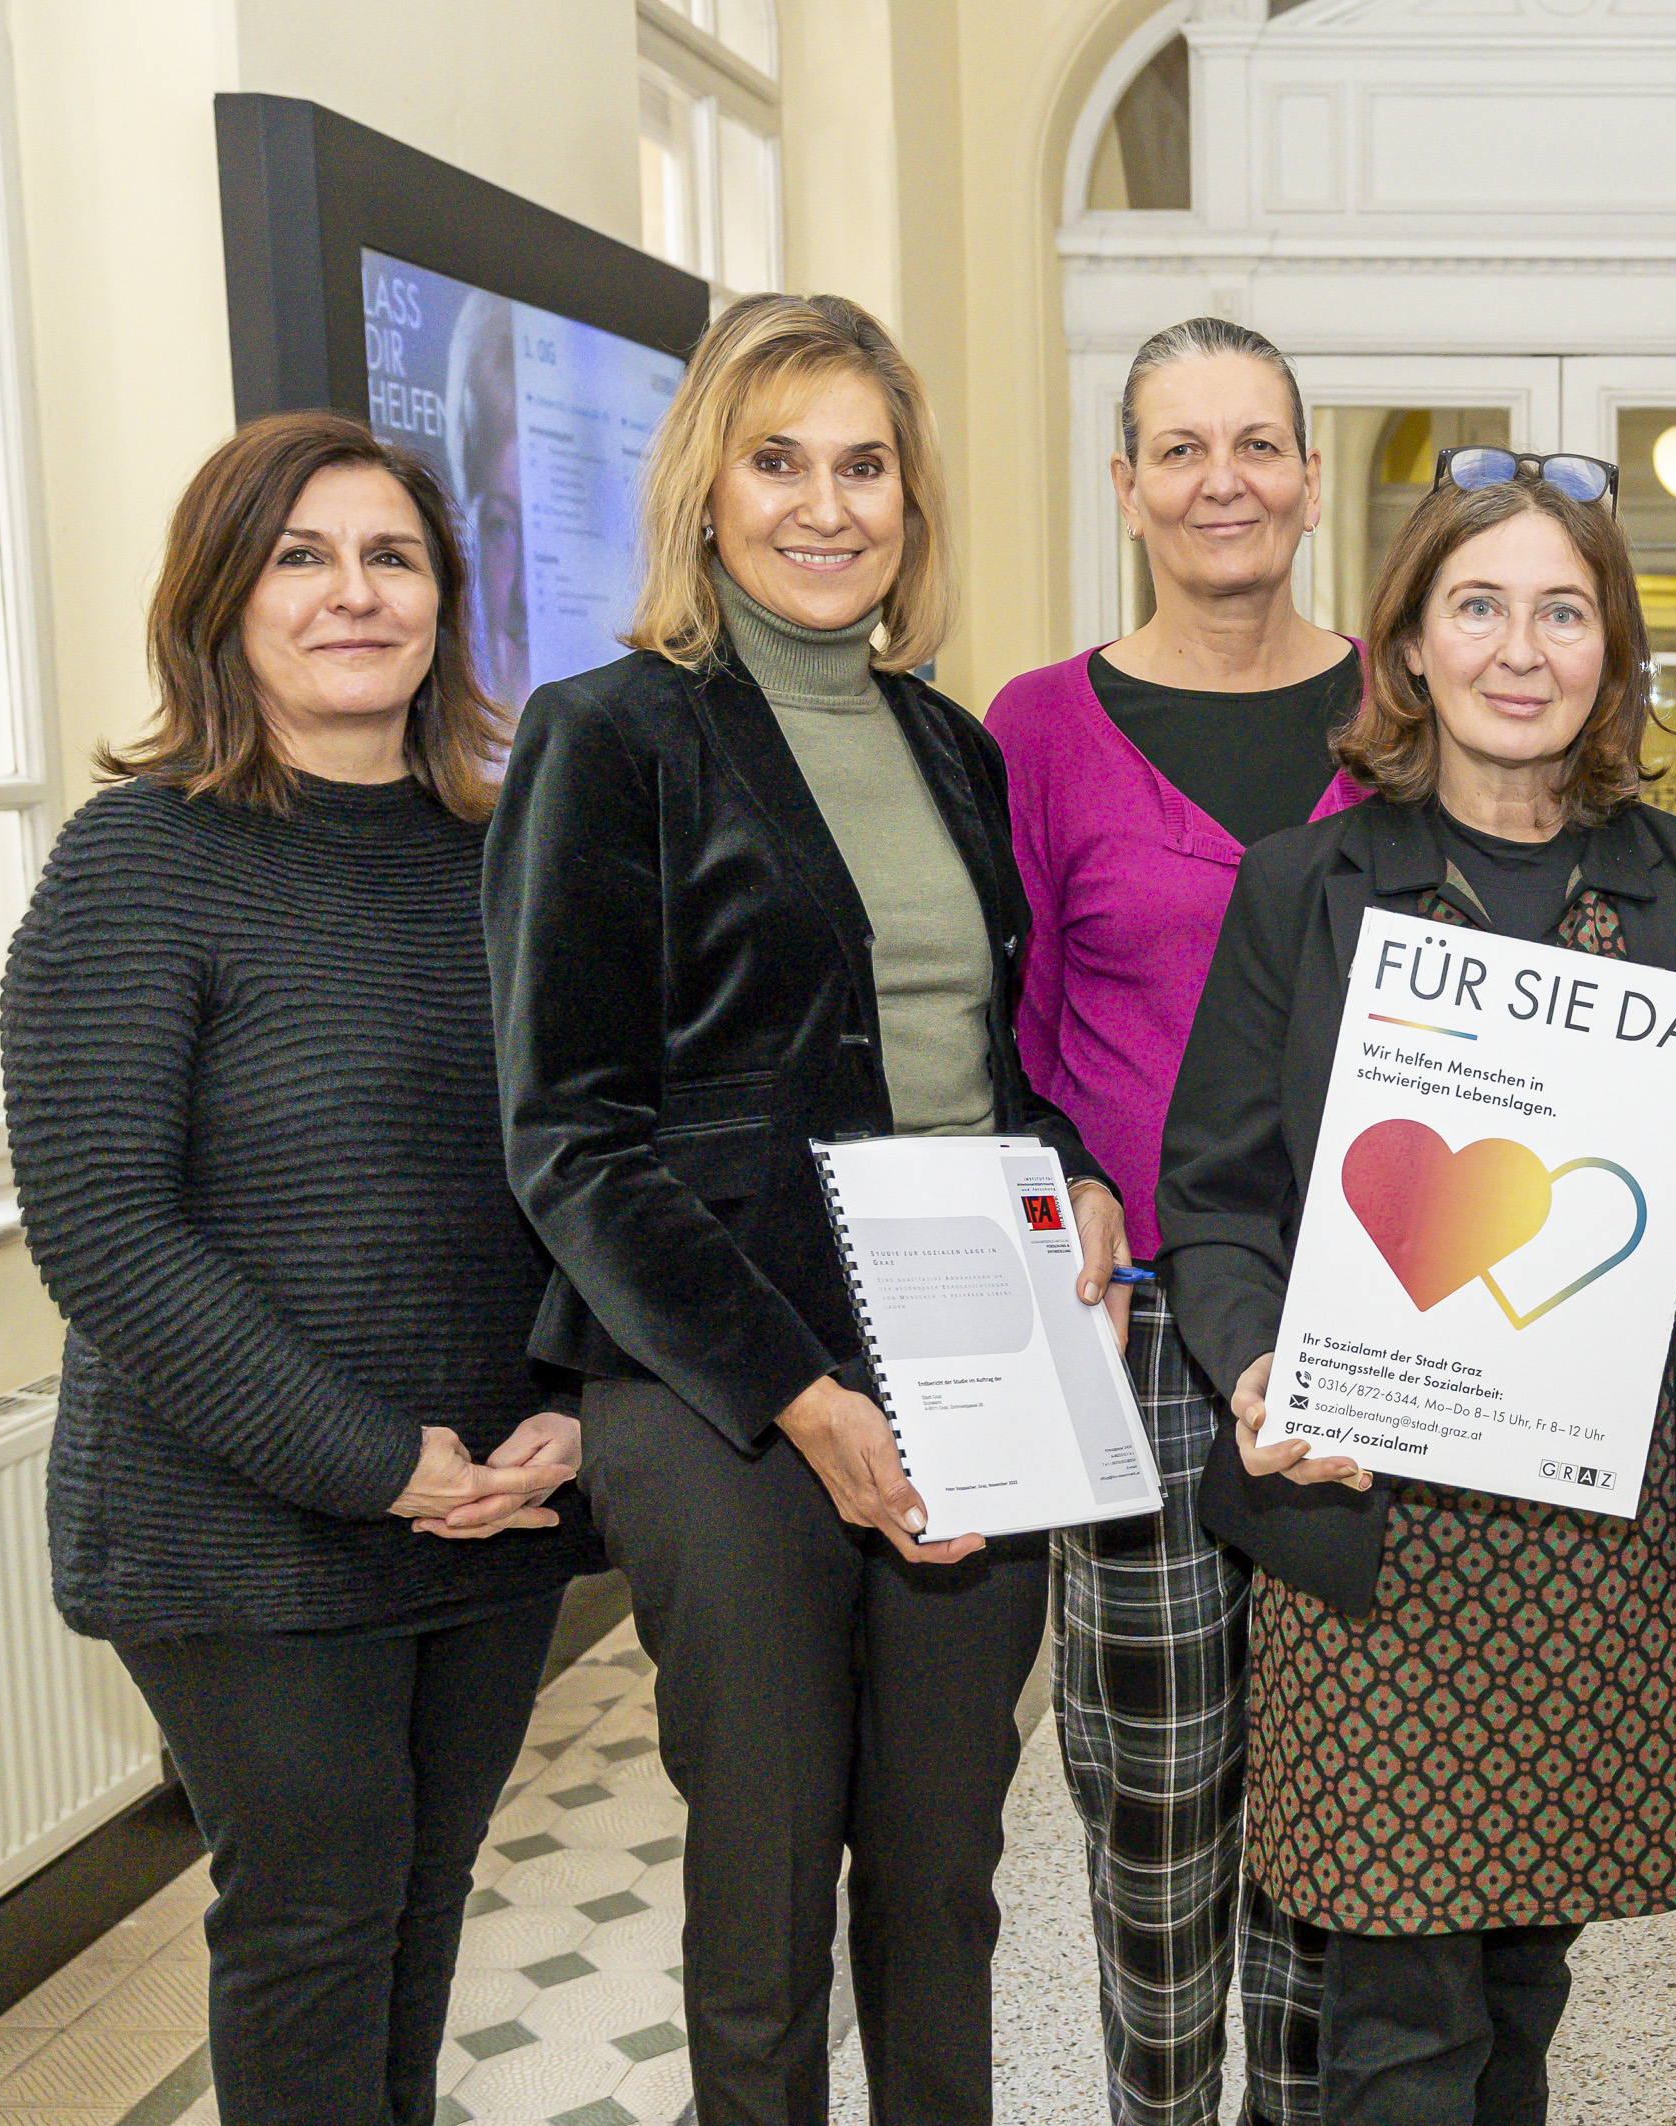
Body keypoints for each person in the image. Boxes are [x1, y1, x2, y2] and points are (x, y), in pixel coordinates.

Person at [485, 293, 1121, 2125]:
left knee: (938, 1879)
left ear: (912, 503)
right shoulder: (608, 737)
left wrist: (1069, 1165)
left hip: (966, 1361)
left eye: (865, 466)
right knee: (764, 1896)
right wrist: (797, 1392)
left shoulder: (950, 748)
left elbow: (965, 1060)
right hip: (716, 1391)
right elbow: (571, 1133)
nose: (824, 507)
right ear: (705, 487)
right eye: (780, 461)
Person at [1162, 458, 1676, 2124]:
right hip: (1380, 1518)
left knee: (1526, 1975)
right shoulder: (1303, 889)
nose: (1520, 648)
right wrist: (1257, 1370)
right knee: (1398, 2005)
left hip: (1607, 1524)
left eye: (1564, 611)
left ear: (1614, 659)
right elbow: (1214, 1199)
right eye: (1478, 605)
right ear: (1406, 644)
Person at [1, 410, 592, 2126]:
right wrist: (371, 1459)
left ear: (444, 600)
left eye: (393, 556)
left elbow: (575, 1172)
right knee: (316, 1925)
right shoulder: (139, 862)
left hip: (490, 1505)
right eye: (303, 557)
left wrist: (564, 1410)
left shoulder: (503, 859)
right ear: (224, 602)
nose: (355, 594)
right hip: (242, 1524)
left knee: (416, 1913)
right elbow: (102, 1228)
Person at [989, 316, 1360, 2126]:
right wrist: (1062, 1168)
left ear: (1308, 477)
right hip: (1132, 1319)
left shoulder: (1411, 708)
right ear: (1123, 484)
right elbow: (1010, 1027)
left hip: (1372, 1326)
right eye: (1181, 446)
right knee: (1154, 1783)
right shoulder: (1038, 729)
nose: (1225, 478)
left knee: (1337, 1777)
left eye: (1260, 443)